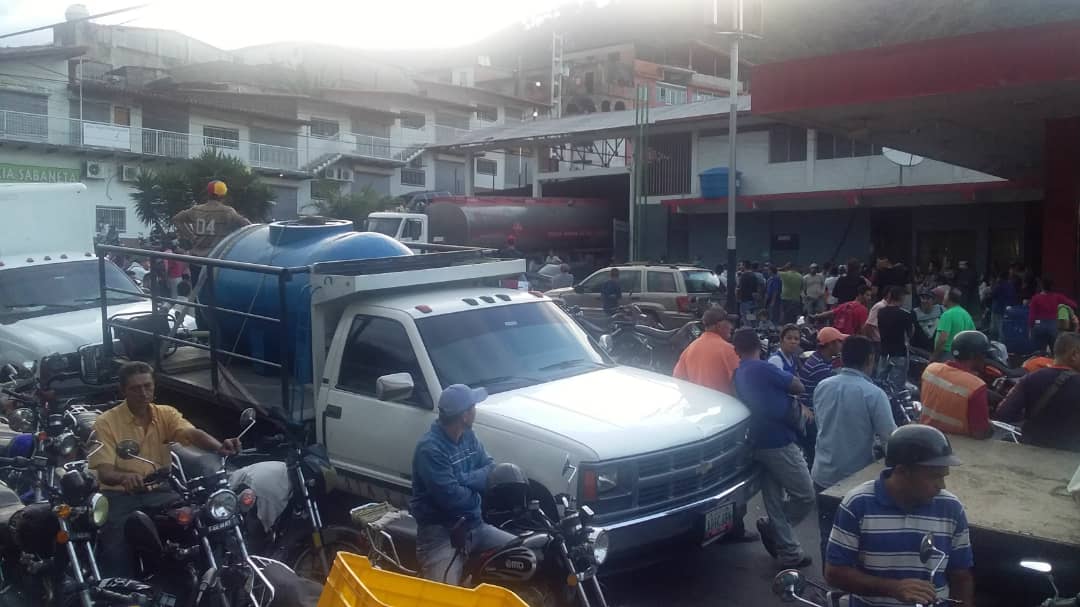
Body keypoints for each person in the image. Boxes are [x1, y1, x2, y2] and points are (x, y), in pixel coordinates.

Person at [90, 361, 242, 577]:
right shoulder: (105, 423)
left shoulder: (165, 413)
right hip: (120, 498)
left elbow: (191, 433)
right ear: (123, 390)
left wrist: (220, 447)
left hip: (161, 492)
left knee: (199, 526)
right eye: (135, 388)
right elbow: (104, 472)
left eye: (147, 386)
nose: (143, 393)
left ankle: (203, 581)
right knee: (117, 551)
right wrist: (125, 477)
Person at [825, 425, 974, 607]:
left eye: (943, 476)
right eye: (934, 477)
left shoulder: (951, 508)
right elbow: (835, 573)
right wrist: (892, 588)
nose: (941, 485)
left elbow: (961, 576)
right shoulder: (858, 503)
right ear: (902, 471)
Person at [409, 384, 515, 584]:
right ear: (465, 415)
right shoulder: (430, 450)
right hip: (441, 536)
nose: (476, 410)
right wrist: (476, 491)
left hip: (475, 526)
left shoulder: (468, 436)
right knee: (447, 599)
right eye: (473, 406)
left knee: (523, 554)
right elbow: (452, 498)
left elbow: (491, 469)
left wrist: (463, 480)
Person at [731, 328, 815, 569]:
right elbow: (797, 385)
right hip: (778, 440)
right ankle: (775, 527)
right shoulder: (763, 367)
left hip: (757, 439)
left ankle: (790, 553)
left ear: (736, 350)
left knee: (775, 499)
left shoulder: (739, 373)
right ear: (760, 345)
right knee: (805, 495)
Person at [811, 336, 896, 563]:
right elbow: (891, 441)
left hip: (822, 475)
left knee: (828, 535)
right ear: (870, 359)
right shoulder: (874, 394)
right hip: (855, 480)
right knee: (858, 540)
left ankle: (830, 588)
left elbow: (822, 424)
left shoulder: (823, 386)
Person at [995, 332, 1080, 452]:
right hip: (1071, 456)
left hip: (1032, 450)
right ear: (1074, 355)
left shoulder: (1031, 378)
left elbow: (1003, 413)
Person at [920, 330, 993, 439]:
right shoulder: (976, 386)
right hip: (959, 446)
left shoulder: (931, 369)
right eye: (984, 354)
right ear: (976, 356)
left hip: (927, 436)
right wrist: (990, 428)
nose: (985, 359)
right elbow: (980, 433)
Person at [797, 327, 848, 470]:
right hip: (811, 419)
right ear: (831, 344)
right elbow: (834, 394)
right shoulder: (819, 367)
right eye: (839, 342)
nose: (842, 345)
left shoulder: (819, 359)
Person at [171, 180, 252, 259]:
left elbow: (176, 219)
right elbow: (248, 226)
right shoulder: (227, 212)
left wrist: (191, 236)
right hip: (216, 260)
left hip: (196, 259)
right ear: (223, 195)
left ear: (208, 194)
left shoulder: (195, 210)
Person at [673, 308, 740, 395]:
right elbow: (741, 383)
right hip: (723, 405)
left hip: (700, 404)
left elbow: (678, 377)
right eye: (729, 323)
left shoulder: (690, 348)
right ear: (719, 326)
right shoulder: (727, 349)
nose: (731, 327)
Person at [876, 286, 915, 388]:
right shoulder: (905, 314)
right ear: (901, 297)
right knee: (896, 384)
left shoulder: (881, 312)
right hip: (899, 353)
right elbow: (910, 334)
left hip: (884, 351)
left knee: (880, 381)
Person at [1028, 277, 1077, 354]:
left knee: (1040, 352)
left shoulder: (1035, 298)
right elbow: (1073, 304)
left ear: (1041, 286)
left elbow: (1032, 316)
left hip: (1039, 325)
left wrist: (1031, 329)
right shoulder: (1057, 296)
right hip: (1053, 326)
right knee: (1055, 352)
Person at [933, 288, 975, 361]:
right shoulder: (966, 315)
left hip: (946, 355)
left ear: (949, 298)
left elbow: (943, 339)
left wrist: (934, 356)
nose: (943, 298)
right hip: (961, 357)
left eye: (945, 295)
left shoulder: (947, 314)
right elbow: (973, 336)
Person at [988, 271, 1017, 340]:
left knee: (995, 326)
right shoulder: (1011, 285)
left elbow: (993, 295)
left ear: (1000, 278)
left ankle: (995, 341)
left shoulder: (999, 286)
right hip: (1007, 309)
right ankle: (1002, 341)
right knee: (1003, 326)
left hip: (997, 308)